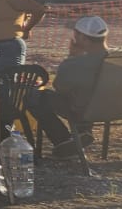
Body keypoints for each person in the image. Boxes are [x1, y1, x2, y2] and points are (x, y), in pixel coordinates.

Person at [27, 15, 111, 157]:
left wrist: (72, 56)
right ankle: (83, 131)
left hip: (82, 109)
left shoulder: (75, 64)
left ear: (84, 38)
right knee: (86, 95)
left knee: (34, 96)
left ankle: (64, 140)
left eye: (76, 34)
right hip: (117, 108)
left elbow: (60, 87)